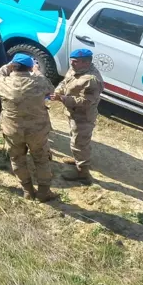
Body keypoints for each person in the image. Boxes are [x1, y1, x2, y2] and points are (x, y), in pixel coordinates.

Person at [0, 54, 58, 202]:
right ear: (30, 68)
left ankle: (27, 190)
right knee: (41, 159)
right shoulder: (40, 82)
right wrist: (37, 71)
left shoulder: (2, 83)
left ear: (13, 67)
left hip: (12, 129)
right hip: (37, 130)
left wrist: (7, 66)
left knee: (17, 159)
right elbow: (50, 89)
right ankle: (44, 192)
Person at [51, 48, 104, 185]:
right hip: (73, 113)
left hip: (83, 117)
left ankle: (83, 173)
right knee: (75, 138)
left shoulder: (92, 80)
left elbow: (85, 102)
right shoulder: (76, 69)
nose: (72, 64)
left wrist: (62, 98)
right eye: (72, 61)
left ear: (86, 63)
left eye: (75, 62)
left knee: (80, 143)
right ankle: (77, 160)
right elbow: (65, 82)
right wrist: (57, 92)